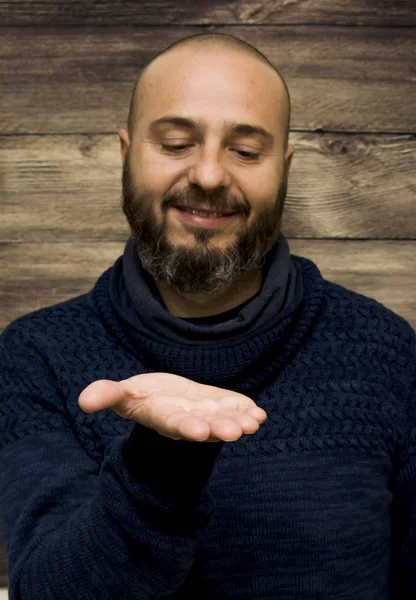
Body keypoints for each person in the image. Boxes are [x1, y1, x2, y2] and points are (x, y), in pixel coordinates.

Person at [0, 31, 414, 600]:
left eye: (245, 151)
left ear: (284, 171)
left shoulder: (386, 351)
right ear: (126, 156)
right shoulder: (35, 357)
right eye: (175, 143)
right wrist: (158, 466)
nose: (211, 175)